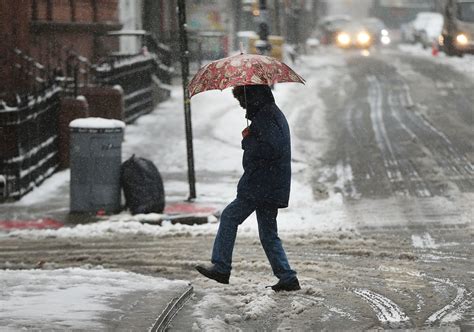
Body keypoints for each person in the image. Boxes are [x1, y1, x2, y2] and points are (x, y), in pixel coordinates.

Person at [195, 84, 300, 292]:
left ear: (253, 97)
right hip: (269, 184)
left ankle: (221, 266)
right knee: (268, 233)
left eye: (242, 100)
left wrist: (249, 140)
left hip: (261, 184)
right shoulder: (268, 113)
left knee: (229, 217)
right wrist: (252, 135)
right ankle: (287, 277)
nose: (242, 106)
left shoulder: (266, 117)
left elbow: (272, 148)